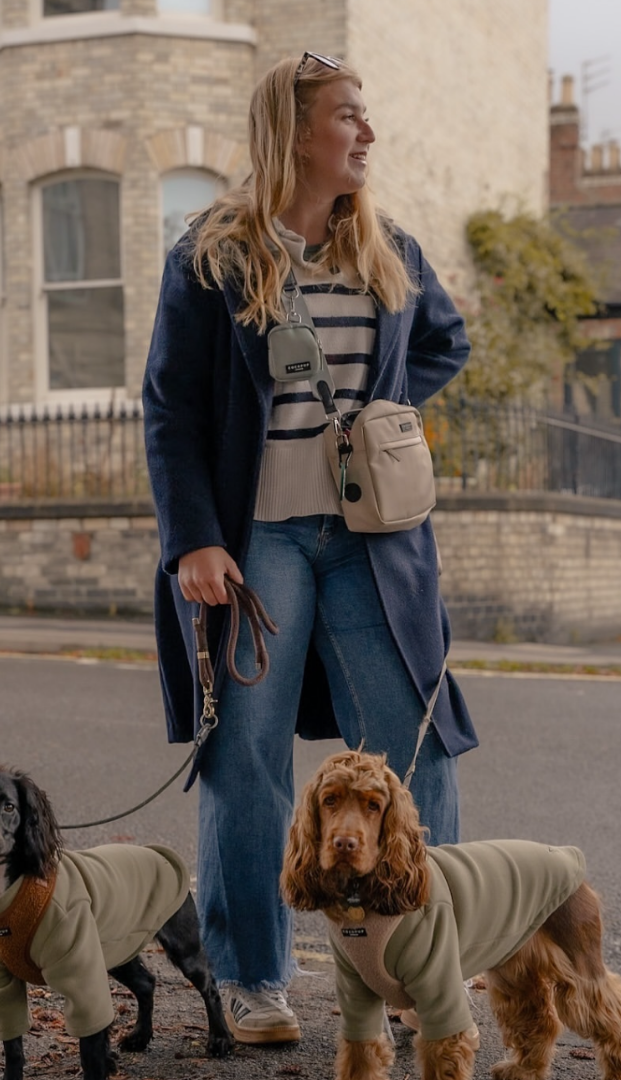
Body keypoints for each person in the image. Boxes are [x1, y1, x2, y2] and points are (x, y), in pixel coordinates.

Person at [142, 51, 478, 1046]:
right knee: (245, 756)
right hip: (257, 548)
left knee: (413, 740)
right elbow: (170, 410)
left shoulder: (389, 249)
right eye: (348, 116)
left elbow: (445, 343)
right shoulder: (213, 255)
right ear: (291, 132)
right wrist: (194, 540)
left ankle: (424, 966)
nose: (366, 134)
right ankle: (252, 978)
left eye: (366, 117)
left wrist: (384, 418)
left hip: (372, 544)